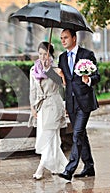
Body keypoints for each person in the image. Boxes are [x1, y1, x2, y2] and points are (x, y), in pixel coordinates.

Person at [56, 28, 100, 181]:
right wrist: (60, 75)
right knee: (81, 135)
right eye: (61, 38)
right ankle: (89, 166)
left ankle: (69, 169)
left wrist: (88, 79)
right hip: (71, 103)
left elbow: (97, 76)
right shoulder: (61, 58)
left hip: (84, 102)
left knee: (77, 134)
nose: (63, 41)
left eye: (65, 37)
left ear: (74, 38)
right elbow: (64, 83)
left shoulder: (86, 55)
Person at [28, 41, 68, 180]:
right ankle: (61, 166)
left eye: (45, 54)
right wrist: (32, 107)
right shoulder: (33, 70)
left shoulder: (56, 69)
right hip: (41, 107)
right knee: (51, 139)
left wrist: (48, 71)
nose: (42, 57)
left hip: (54, 106)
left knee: (49, 137)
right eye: (40, 54)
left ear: (50, 55)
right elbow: (32, 90)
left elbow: (61, 83)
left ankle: (40, 168)